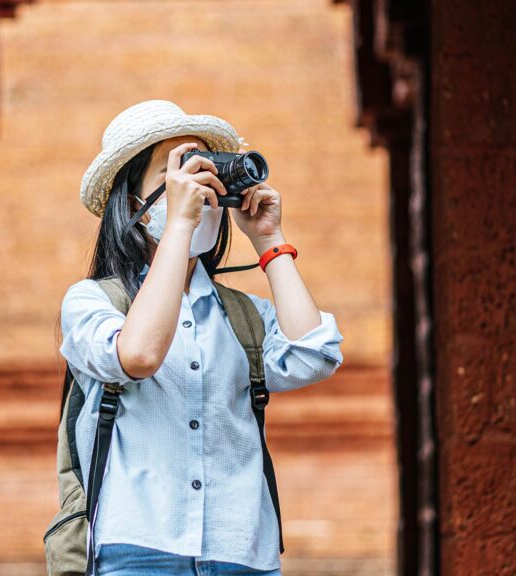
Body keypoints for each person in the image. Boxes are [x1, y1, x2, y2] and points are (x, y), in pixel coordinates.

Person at [59, 100, 344, 575]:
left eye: (207, 176)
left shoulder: (242, 317)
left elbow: (315, 354)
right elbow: (140, 353)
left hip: (242, 554)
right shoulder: (93, 303)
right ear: (134, 206)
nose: (199, 191)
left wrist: (270, 240)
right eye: (178, 177)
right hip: (137, 551)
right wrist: (179, 224)